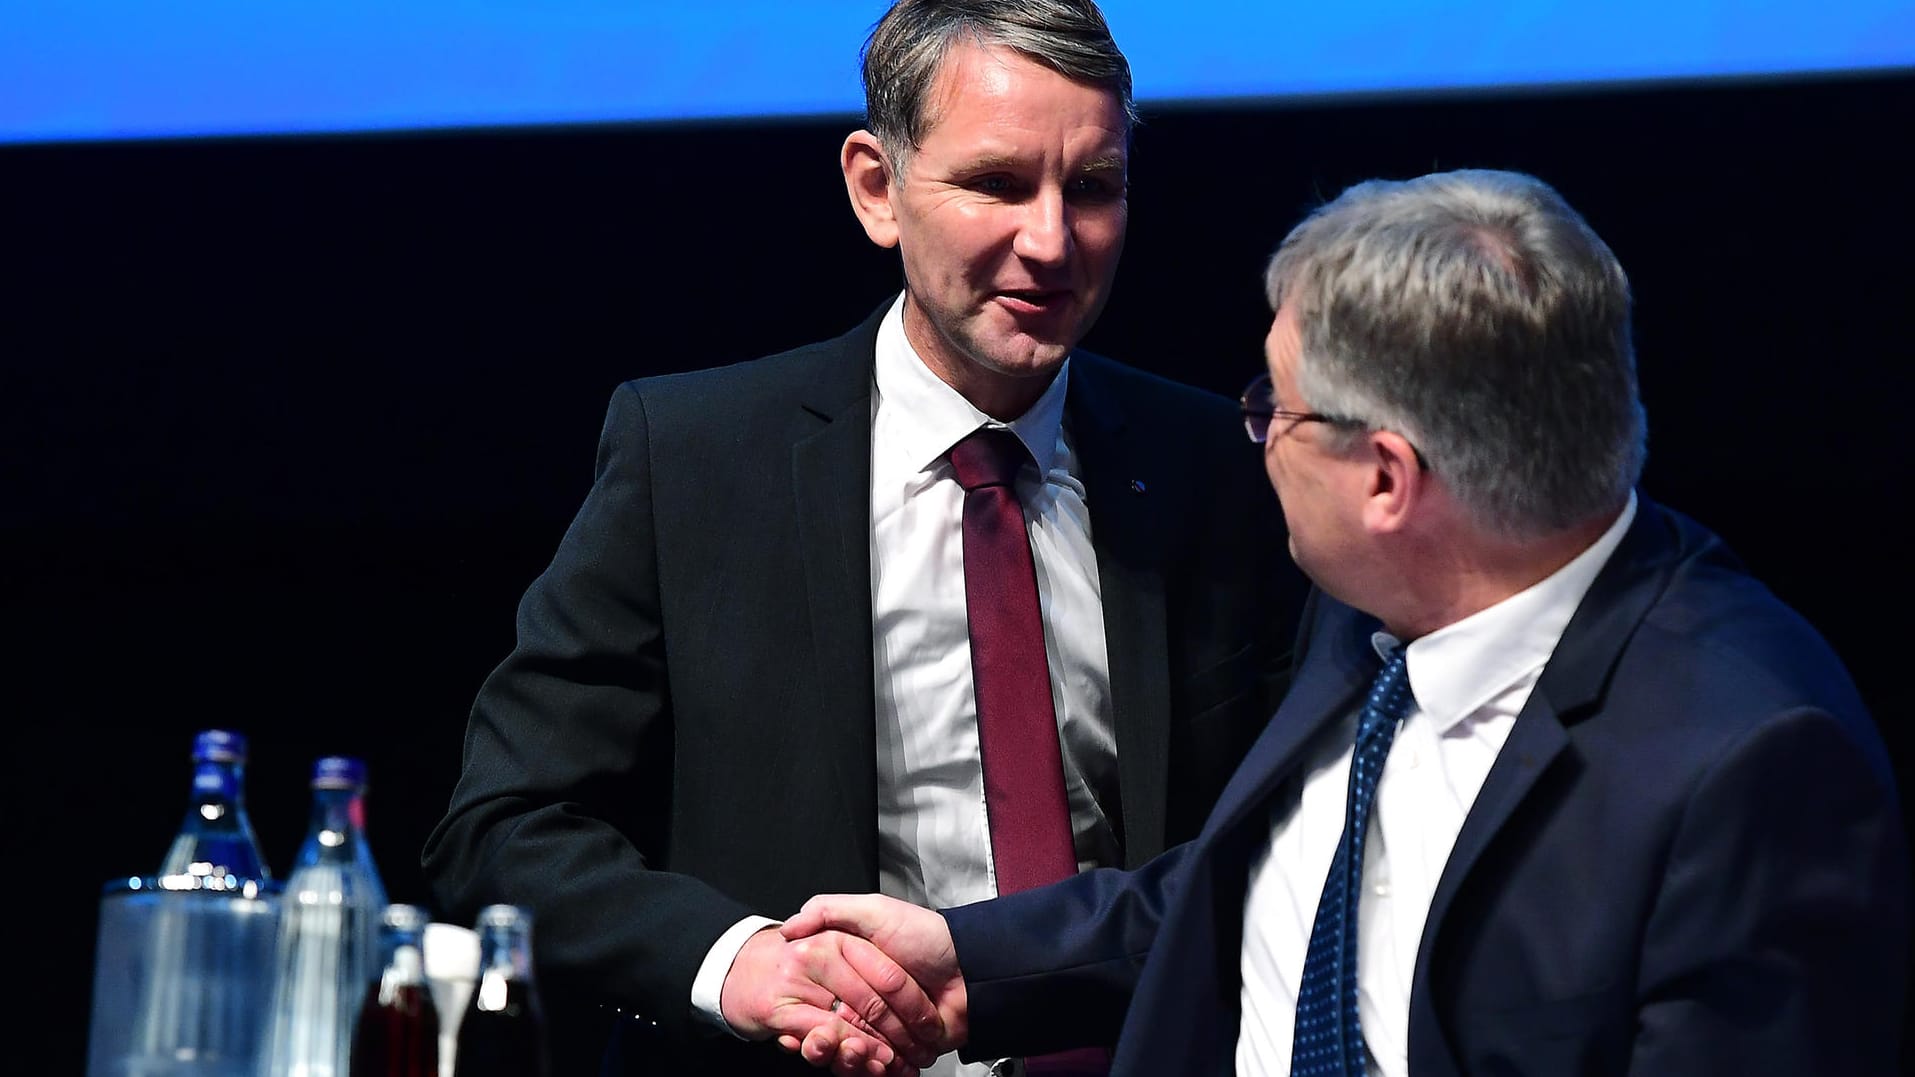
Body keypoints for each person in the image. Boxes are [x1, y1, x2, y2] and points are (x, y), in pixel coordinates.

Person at [782, 168, 1910, 1075]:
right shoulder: (1371, 608)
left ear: (1385, 480)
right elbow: (1267, 876)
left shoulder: (1750, 770)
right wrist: (965, 964)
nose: (1256, 434)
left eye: (1274, 407)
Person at [419, 2, 1305, 1074]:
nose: (1051, 240)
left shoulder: (1219, 465)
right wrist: (733, 961)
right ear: (875, 187)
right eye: (995, 183)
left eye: (1095, 188)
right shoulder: (695, 460)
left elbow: (1286, 848)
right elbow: (504, 828)